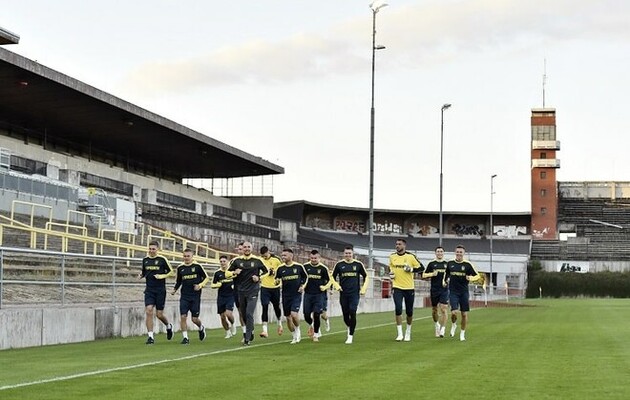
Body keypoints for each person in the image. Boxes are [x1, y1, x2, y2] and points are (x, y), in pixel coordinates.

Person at [227, 241, 268, 346]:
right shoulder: (236, 261)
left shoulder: (257, 260)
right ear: (242, 248)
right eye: (245, 247)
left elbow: (267, 271)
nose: (247, 249)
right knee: (244, 314)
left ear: (252, 248)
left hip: (253, 290)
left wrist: (259, 278)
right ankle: (251, 330)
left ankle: (247, 338)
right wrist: (234, 273)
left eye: (248, 247)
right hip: (241, 291)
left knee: (249, 313)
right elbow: (227, 273)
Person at [170, 248, 209, 344]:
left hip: (195, 296)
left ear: (192, 257)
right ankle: (185, 338)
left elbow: (206, 278)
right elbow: (179, 281)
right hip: (184, 296)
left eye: (188, 256)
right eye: (185, 256)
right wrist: (175, 289)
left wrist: (200, 285)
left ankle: (201, 327)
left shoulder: (197, 266)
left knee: (194, 319)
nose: (186, 258)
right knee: (183, 316)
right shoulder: (180, 268)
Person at [331, 246, 369, 345]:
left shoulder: (358, 264)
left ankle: (350, 336)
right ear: (344, 254)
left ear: (353, 254)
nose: (348, 255)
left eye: (349, 253)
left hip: (354, 293)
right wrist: (336, 286)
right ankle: (349, 326)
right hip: (343, 293)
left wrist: (364, 288)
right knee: (345, 315)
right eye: (346, 253)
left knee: (352, 311)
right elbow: (332, 277)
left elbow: (366, 276)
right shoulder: (339, 265)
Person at [139, 240, 174, 345]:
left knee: (159, 314)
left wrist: (162, 276)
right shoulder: (145, 260)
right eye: (150, 249)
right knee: (149, 310)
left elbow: (171, 271)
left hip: (160, 290)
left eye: (153, 249)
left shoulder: (162, 259)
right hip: (149, 290)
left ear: (157, 249)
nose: (151, 251)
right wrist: (141, 275)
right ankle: (150, 336)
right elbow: (144, 272)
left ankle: (168, 326)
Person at [388, 238, 423, 342]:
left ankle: (408, 331)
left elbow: (421, 268)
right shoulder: (392, 256)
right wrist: (391, 273)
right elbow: (390, 267)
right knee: (398, 308)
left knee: (409, 311)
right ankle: (400, 333)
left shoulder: (410, 257)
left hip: (409, 287)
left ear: (404, 246)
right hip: (397, 287)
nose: (397, 246)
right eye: (396, 244)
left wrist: (411, 269)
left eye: (399, 244)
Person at [444, 245, 480, 342]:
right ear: (455, 252)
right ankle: (454, 324)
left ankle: (462, 333)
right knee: (454, 312)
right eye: (457, 252)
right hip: (453, 291)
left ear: (464, 253)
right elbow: (446, 274)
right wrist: (445, 281)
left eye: (461, 252)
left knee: (464, 314)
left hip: (464, 292)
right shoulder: (450, 263)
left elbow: (477, 275)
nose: (459, 253)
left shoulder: (467, 265)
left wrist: (470, 278)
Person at [275, 248, 308, 344]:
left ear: (291, 256)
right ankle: (294, 336)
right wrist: (277, 281)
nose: (283, 257)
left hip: (296, 294)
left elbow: (306, 277)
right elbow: (277, 279)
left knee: (294, 314)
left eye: (285, 255)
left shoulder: (299, 266)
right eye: (282, 255)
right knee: (288, 317)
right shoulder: (280, 268)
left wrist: (302, 286)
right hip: (285, 295)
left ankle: (298, 330)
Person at [302, 249, 332, 342]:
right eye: (312, 258)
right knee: (306, 315)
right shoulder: (305, 267)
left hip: (319, 295)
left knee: (317, 314)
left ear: (319, 258)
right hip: (308, 294)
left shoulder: (323, 268)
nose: (313, 260)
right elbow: (301, 278)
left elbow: (330, 280)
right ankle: (314, 326)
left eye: (315, 258)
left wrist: (327, 288)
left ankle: (316, 334)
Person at [422, 246, 449, 338]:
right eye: (438, 251)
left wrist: (448, 280)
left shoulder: (447, 264)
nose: (439, 253)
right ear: (435, 253)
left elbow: (451, 275)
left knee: (444, 309)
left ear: (443, 253)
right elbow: (423, 275)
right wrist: (432, 274)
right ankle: (437, 324)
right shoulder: (431, 264)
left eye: (441, 251)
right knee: (434, 310)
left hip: (444, 289)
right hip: (434, 290)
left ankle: (443, 329)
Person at [258, 245, 284, 338]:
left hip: (275, 287)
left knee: (276, 307)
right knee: (264, 306)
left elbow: (282, 270)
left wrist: (277, 277)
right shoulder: (259, 260)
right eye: (263, 256)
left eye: (265, 255)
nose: (264, 257)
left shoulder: (276, 259)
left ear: (268, 252)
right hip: (264, 287)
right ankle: (265, 330)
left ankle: (279, 323)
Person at [211, 255, 238, 339]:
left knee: (228, 314)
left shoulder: (232, 272)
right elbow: (212, 284)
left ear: (228, 262)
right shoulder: (217, 273)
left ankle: (233, 324)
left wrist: (235, 286)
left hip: (231, 296)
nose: (222, 263)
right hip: (221, 296)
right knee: (222, 317)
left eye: (224, 261)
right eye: (221, 261)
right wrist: (217, 285)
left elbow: (238, 280)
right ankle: (228, 332)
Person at [229, 242, 245, 338]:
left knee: (248, 311)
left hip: (249, 289)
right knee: (241, 311)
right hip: (237, 289)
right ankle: (245, 332)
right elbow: (227, 274)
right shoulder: (234, 261)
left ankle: (249, 330)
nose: (240, 251)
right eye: (239, 249)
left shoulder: (253, 261)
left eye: (242, 249)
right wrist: (234, 273)